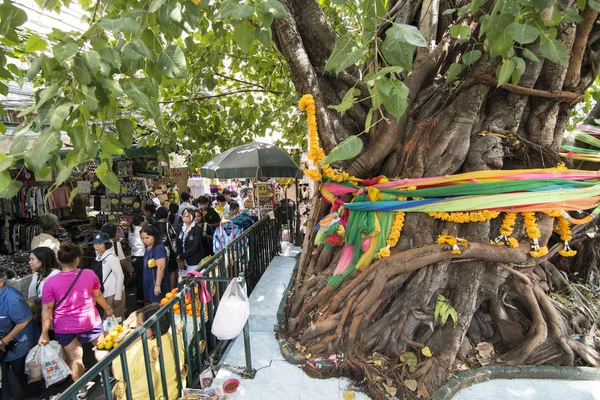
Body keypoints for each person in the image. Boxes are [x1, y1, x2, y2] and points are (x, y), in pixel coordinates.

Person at [40, 243, 113, 399]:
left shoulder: (50, 283)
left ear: (59, 261)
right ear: (77, 259)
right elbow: (97, 295)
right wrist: (107, 309)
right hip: (89, 321)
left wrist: (44, 333)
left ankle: (81, 391)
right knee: (100, 348)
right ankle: (109, 376)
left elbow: (47, 310)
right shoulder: (89, 274)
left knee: (75, 358)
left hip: (64, 326)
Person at [112, 304, 185, 399]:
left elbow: (117, 373)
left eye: (140, 325)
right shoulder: (174, 332)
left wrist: (130, 341)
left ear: (153, 327)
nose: (136, 328)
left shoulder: (138, 349)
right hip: (173, 393)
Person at [0, 267, 38, 400]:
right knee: (2, 379)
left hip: (17, 344)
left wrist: (4, 341)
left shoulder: (12, 298)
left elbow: (24, 320)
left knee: (23, 374)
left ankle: (33, 396)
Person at [90, 232, 125, 319]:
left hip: (112, 293)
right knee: (106, 319)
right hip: (103, 293)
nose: (97, 246)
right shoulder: (98, 256)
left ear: (106, 244)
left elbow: (120, 275)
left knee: (116, 318)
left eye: (100, 243)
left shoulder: (111, 257)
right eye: (95, 243)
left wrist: (118, 295)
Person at [28, 247, 61, 326]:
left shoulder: (56, 275)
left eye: (33, 259)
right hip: (38, 315)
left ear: (43, 260)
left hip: (51, 316)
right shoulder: (36, 275)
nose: (30, 262)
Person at [140, 225, 169, 303]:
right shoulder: (148, 247)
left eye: (147, 238)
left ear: (154, 236)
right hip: (149, 282)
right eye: (142, 238)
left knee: (159, 305)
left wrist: (157, 285)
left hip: (157, 282)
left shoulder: (158, 248)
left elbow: (161, 267)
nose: (144, 240)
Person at [154, 206, 178, 290]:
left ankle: (160, 288)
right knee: (172, 270)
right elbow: (173, 236)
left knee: (160, 269)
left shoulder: (153, 225)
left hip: (156, 250)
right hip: (168, 250)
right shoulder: (167, 225)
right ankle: (171, 290)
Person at [176, 208, 204, 276]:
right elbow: (178, 243)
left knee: (193, 281)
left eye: (188, 216)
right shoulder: (180, 227)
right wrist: (180, 259)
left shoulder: (197, 229)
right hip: (182, 260)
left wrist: (182, 256)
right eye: (183, 216)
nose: (185, 218)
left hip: (193, 260)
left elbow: (195, 246)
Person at [129, 214, 146, 305]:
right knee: (141, 278)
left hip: (133, 255)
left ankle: (139, 297)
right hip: (141, 256)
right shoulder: (141, 230)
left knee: (138, 277)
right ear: (142, 222)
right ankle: (141, 297)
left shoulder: (131, 229)